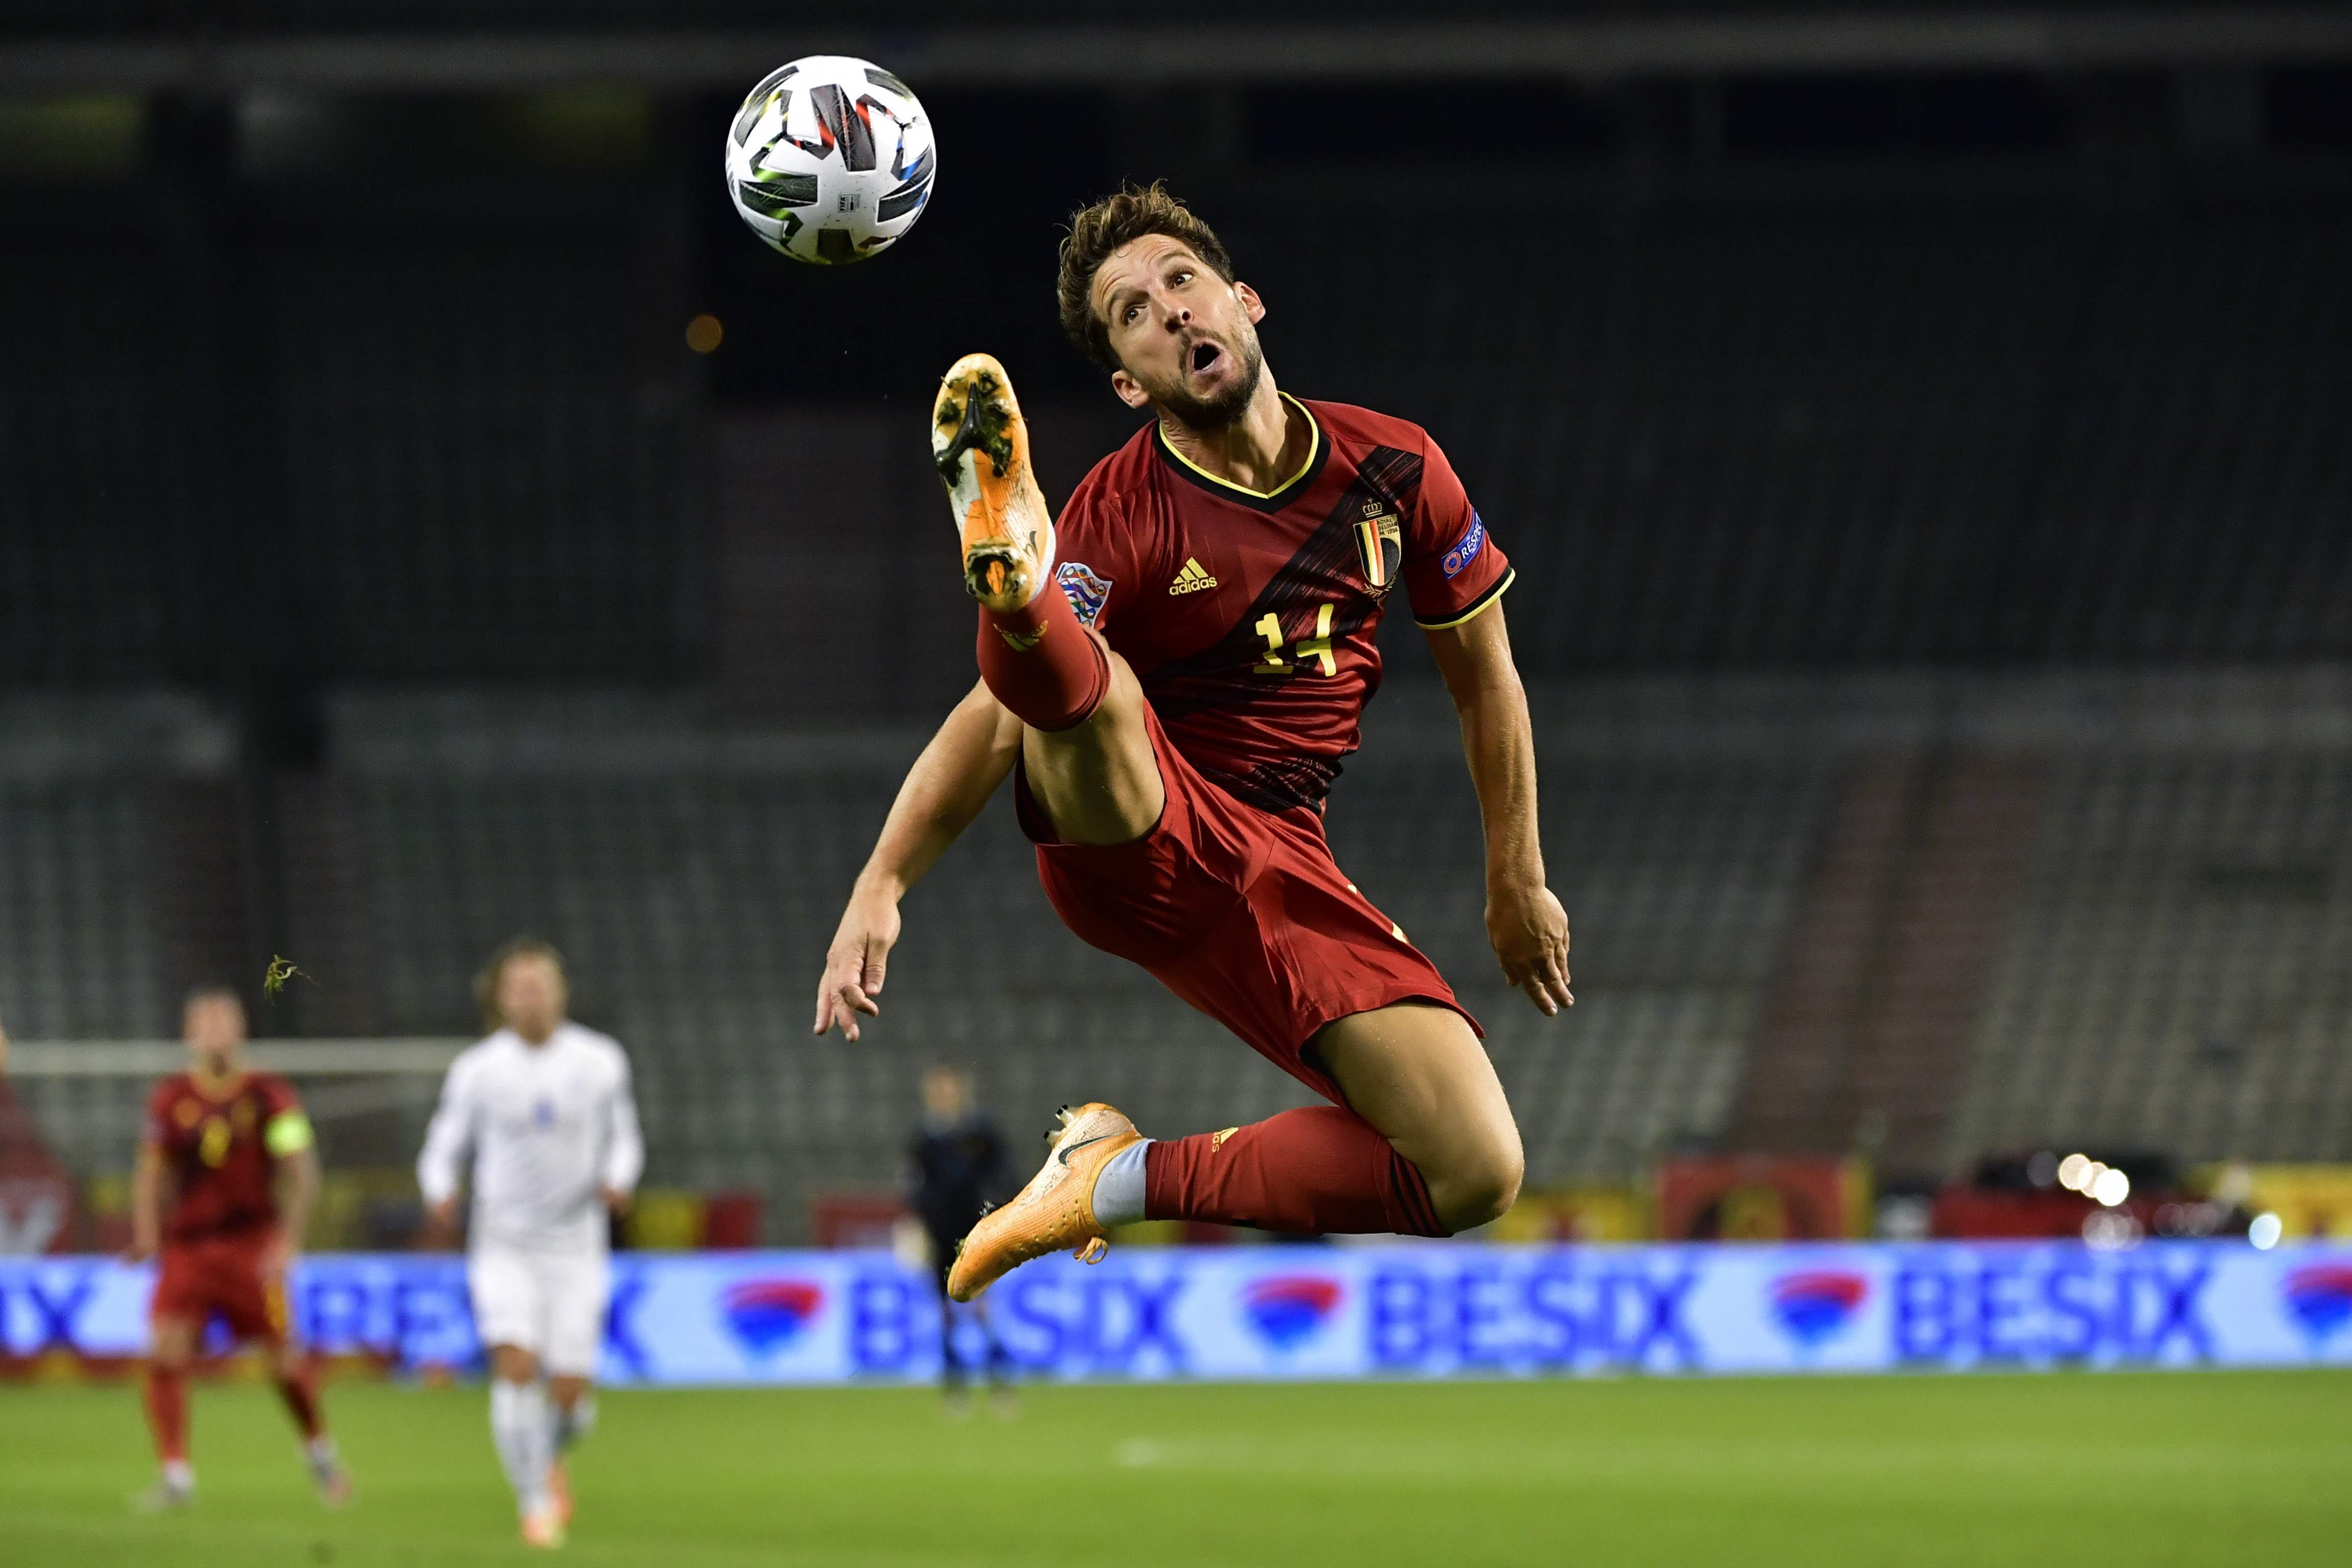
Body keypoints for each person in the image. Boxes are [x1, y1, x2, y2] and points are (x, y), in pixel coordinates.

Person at [815, 184, 1572, 1302]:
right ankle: (1020, 594)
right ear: (1129, 383)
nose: (1167, 311)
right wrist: (884, 878)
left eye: (1180, 281)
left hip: (1284, 858)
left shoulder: (1397, 469)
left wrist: (1516, 876)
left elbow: (1487, 677)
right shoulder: (1125, 509)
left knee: (1474, 1169)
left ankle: (1108, 1177)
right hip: (1138, 834)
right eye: (1131, 312)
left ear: (1244, 301)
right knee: (1095, 683)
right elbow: (992, 722)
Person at [417, 940, 642, 1550]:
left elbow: (625, 1138)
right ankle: (536, 1504)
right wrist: (439, 1189)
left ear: (561, 990)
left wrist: (619, 1179)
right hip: (504, 1241)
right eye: (518, 985)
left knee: (572, 1400)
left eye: (540, 982)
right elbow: (442, 1145)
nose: (531, 995)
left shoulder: (600, 1060)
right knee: (515, 1366)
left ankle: (549, 1452)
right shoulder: (478, 1070)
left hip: (576, 1245)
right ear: (500, 998)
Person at [128, 984, 352, 1511]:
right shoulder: (170, 1098)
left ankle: (320, 1452)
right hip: (189, 1245)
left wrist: (288, 1239)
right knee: (164, 1351)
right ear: (188, 1034)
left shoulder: (271, 1094)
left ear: (241, 1029)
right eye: (203, 1024)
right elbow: (150, 1172)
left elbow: (303, 1171)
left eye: (222, 1022)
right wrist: (146, 1231)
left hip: (252, 1246)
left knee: (283, 1361)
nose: (214, 1033)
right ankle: (176, 1475)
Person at [906, 1065, 1012, 1408]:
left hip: (976, 1233)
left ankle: (998, 1380)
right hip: (940, 1234)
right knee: (945, 1311)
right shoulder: (924, 1140)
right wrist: (918, 1226)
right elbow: (915, 1188)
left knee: (981, 1306)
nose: (946, 1096)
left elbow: (1002, 1177)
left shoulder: (981, 1135)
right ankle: (955, 1384)